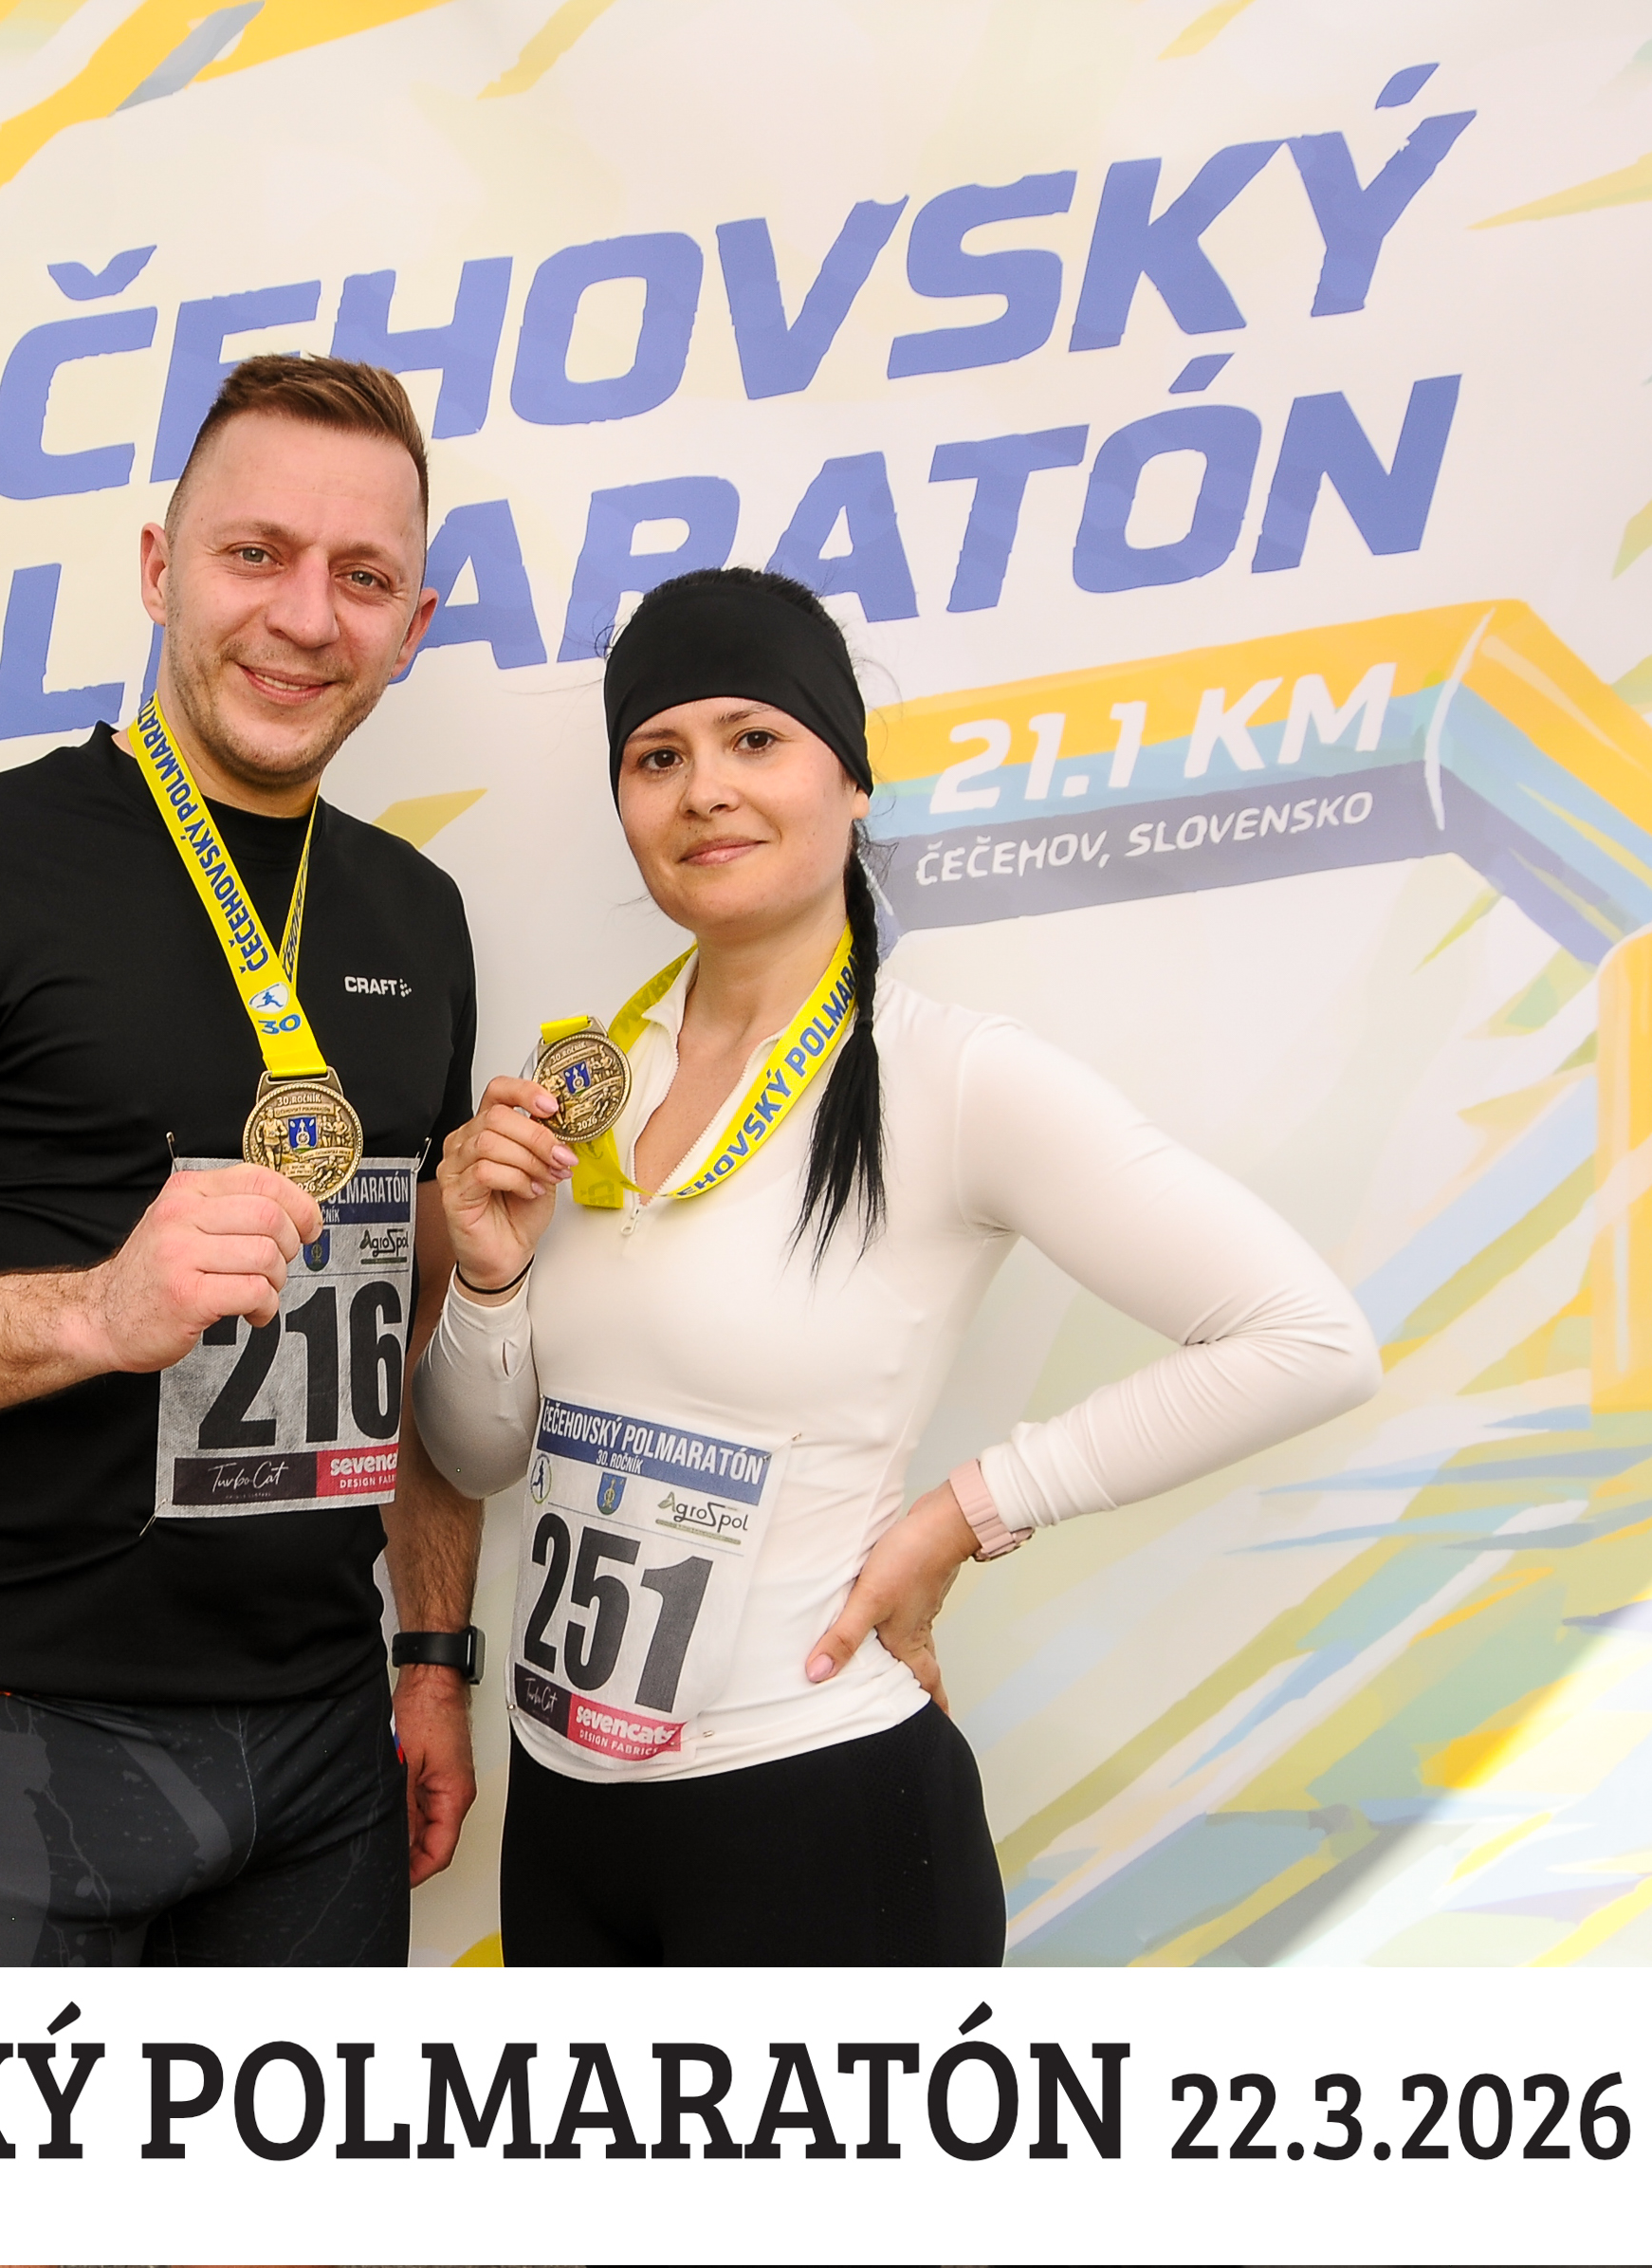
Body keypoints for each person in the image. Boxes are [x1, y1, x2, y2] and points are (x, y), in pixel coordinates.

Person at [412, 566, 1383, 1964]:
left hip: (817, 1813)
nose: (705, 791)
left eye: (756, 739)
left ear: (852, 779)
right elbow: (482, 1454)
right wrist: (490, 1283)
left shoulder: (955, 1079)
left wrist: (968, 1513)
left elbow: (1306, 1340)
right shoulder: (579, 1086)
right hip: (565, 1821)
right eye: (657, 757)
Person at [0, 355, 485, 1966]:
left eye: (363, 579)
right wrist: (91, 1312)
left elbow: (400, 1349)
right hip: (24, 1733)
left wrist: (430, 1655)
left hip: (326, 1751)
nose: (304, 617)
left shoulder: (418, 917)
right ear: (158, 567)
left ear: (412, 626)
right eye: (255, 553)